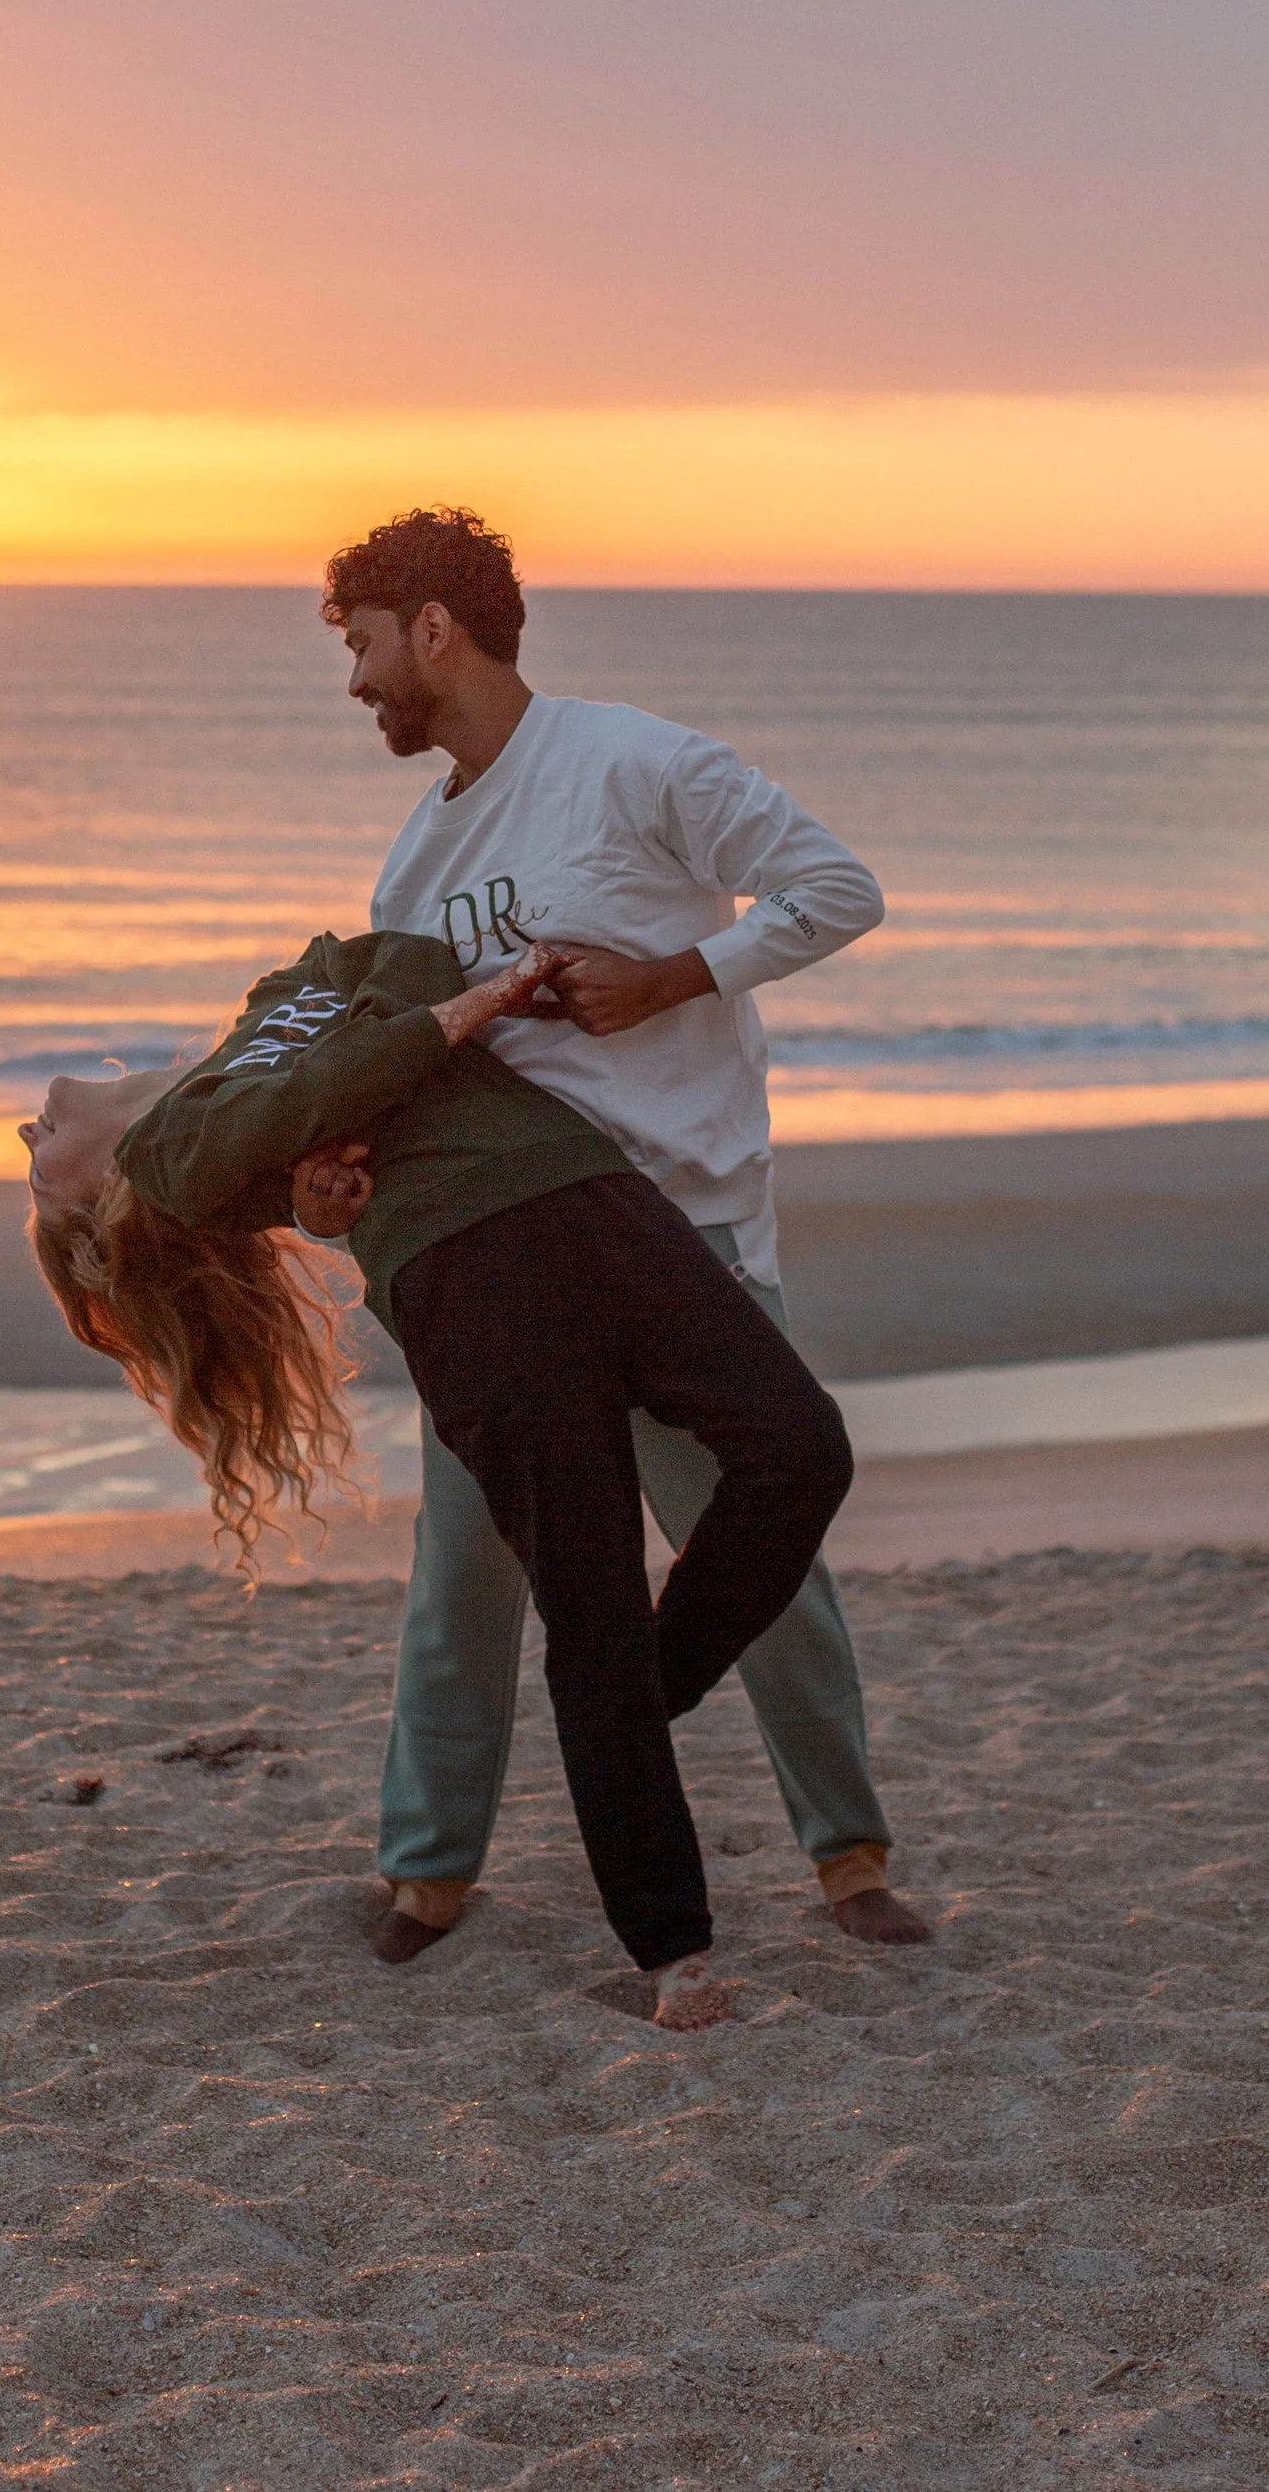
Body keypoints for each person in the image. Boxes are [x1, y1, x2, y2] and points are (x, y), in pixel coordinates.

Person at [22, 928, 854, 2027]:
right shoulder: (172, 1164)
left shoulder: (270, 1004)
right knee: (590, 1600)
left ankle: (641, 1702)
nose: (26, 1126)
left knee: (800, 1447)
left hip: (595, 1198)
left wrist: (356, 1084)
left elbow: (401, 959)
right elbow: (351, 1050)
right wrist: (401, 1053)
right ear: (102, 1211)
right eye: (34, 1169)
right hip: (466, 1282)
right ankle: (673, 1952)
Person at [326, 503, 932, 1964]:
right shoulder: (412, 871)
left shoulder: (635, 761)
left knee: (768, 1555)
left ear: (433, 627)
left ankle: (848, 1857)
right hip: (507, 1258)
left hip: (690, 1239)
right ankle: (429, 1874)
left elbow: (837, 890)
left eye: (360, 646)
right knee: (460, 1574)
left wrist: (675, 975)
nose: (354, 684)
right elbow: (430, 1066)